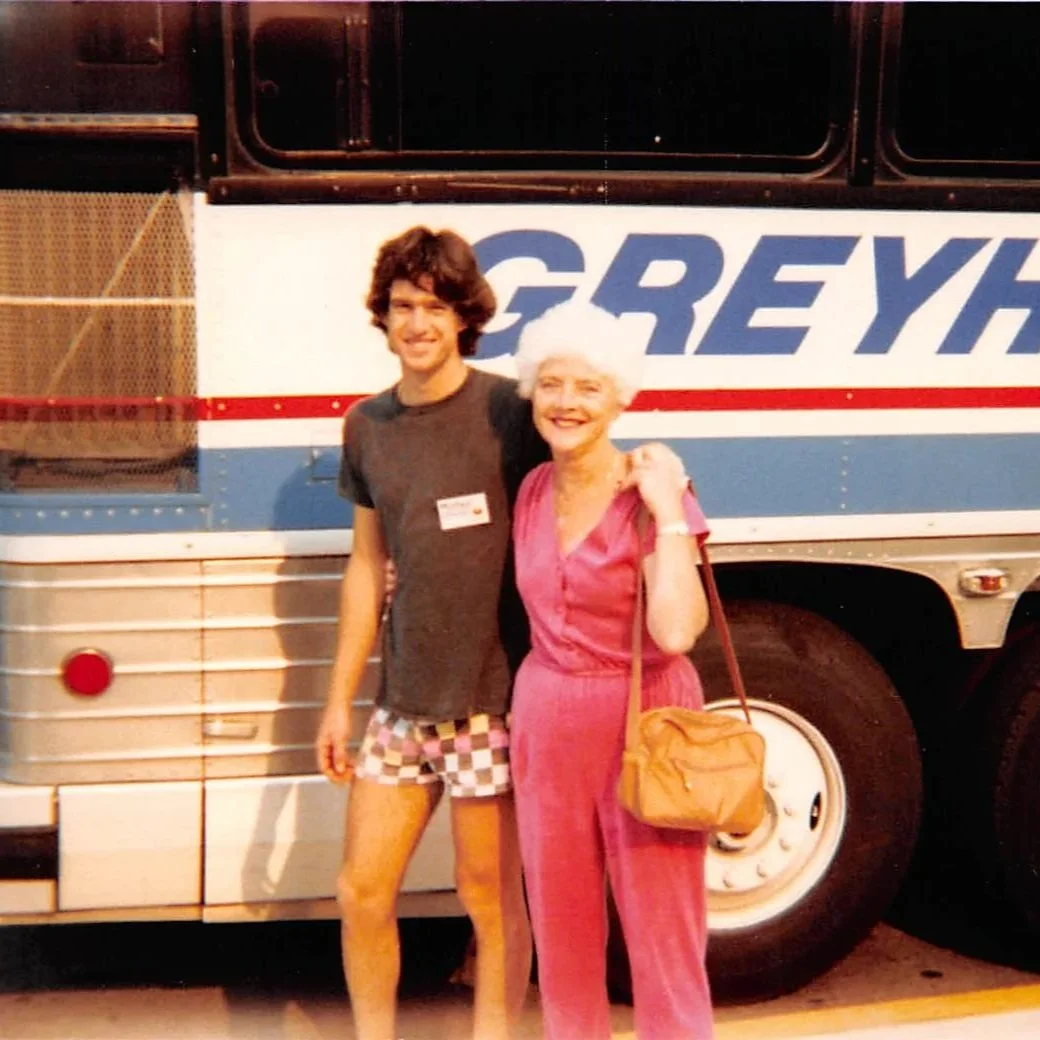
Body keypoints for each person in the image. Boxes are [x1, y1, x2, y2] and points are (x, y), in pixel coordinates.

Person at [315, 226, 544, 1040]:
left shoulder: (507, 410)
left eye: (435, 308)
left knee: (489, 900)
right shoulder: (367, 426)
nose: (416, 323)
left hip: (488, 704)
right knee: (360, 890)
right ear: (382, 316)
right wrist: (340, 701)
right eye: (403, 306)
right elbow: (363, 566)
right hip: (402, 707)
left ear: (463, 319)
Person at [509, 300, 714, 1039]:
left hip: (643, 721)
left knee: (663, 932)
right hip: (546, 723)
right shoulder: (531, 490)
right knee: (560, 934)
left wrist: (666, 513)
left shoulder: (652, 490)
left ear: (621, 396)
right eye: (553, 384)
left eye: (588, 387)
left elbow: (677, 629)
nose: (567, 403)